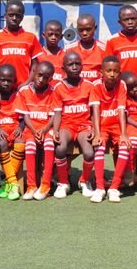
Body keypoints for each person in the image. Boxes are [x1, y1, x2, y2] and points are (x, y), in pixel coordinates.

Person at [51, 51, 95, 199]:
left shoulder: (89, 86)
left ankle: (85, 181)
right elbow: (57, 113)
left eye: (77, 64)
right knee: (60, 147)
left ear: (82, 66)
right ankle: (63, 183)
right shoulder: (58, 87)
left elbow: (94, 111)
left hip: (83, 125)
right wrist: (55, 131)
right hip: (66, 125)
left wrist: (94, 129)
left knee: (89, 152)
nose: (75, 67)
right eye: (71, 64)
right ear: (63, 68)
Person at [90, 56, 131, 203]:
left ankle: (114, 188)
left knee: (124, 146)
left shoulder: (122, 85)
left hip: (116, 125)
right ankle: (100, 188)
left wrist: (124, 134)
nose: (112, 74)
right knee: (99, 147)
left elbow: (121, 110)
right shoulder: (96, 85)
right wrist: (97, 133)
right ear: (101, 73)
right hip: (102, 125)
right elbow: (95, 110)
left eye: (115, 71)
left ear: (119, 73)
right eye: (108, 71)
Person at [17, 61, 55, 201]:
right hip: (30, 128)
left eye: (46, 77)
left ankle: (46, 185)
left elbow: (53, 116)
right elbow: (25, 116)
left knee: (49, 145)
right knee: (30, 146)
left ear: (50, 78)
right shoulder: (24, 91)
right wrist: (34, 131)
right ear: (34, 72)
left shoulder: (53, 91)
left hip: (47, 128)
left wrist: (44, 130)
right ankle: (31, 185)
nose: (41, 80)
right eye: (39, 75)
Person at [0, 0, 43, 87]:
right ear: (5, 16)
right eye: (11, 15)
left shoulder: (31, 37)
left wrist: (27, 83)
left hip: (23, 87)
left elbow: (35, 64)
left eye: (17, 15)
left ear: (22, 17)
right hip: (4, 88)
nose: (14, 18)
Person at [0, 64, 24, 200]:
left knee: (21, 142)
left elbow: (24, 117)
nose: (6, 83)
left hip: (15, 130)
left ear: (15, 81)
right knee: (1, 144)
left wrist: (21, 127)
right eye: (2, 80)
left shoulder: (19, 95)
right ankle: (13, 182)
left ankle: (7, 182)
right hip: (1, 132)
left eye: (9, 80)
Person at [66, 13, 105, 82]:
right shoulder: (69, 50)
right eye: (81, 30)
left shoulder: (104, 49)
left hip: (96, 90)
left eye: (88, 29)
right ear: (77, 30)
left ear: (95, 28)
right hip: (77, 90)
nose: (84, 33)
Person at [105, 4, 137, 73]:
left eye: (133, 18)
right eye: (126, 19)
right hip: (122, 82)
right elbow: (108, 66)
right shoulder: (112, 40)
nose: (130, 22)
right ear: (120, 22)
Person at [38, 20, 65, 84]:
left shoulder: (65, 56)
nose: (53, 37)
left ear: (61, 37)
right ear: (43, 35)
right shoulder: (37, 55)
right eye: (50, 34)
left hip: (59, 93)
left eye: (57, 35)